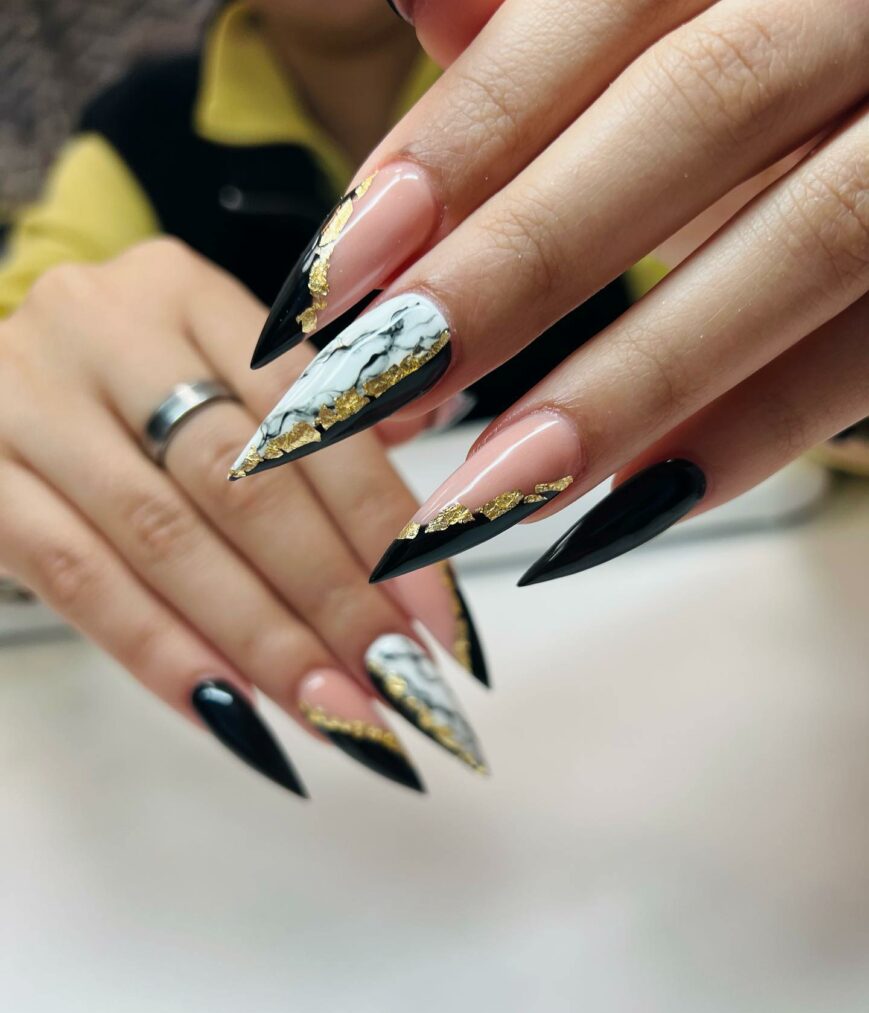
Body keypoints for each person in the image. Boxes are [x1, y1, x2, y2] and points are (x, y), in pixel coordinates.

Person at [1, 0, 865, 797]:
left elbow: (790, 379)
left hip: (716, 699)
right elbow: (28, 327)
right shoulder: (133, 139)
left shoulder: (630, 47)